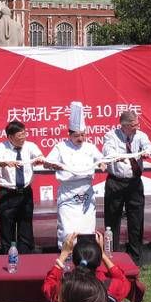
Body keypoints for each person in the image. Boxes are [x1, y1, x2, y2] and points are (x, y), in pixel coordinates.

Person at [46, 102, 105, 249]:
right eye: (77, 135)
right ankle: (66, 257)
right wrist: (52, 164)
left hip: (86, 192)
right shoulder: (60, 147)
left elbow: (101, 160)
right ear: (70, 134)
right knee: (68, 229)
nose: (80, 138)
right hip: (68, 192)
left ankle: (88, 258)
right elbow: (48, 162)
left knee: (87, 228)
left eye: (83, 135)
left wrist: (102, 164)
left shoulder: (90, 147)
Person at [102, 110, 151, 265]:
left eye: (137, 124)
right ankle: (112, 256)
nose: (136, 127)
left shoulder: (140, 135)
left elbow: (148, 146)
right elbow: (107, 150)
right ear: (123, 126)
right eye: (133, 125)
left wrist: (147, 152)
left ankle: (136, 257)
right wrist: (115, 156)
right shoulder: (111, 135)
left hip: (134, 182)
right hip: (115, 182)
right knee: (112, 220)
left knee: (136, 219)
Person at [0, 120, 45, 254]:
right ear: (10, 137)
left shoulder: (30, 146)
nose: (23, 137)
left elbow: (39, 155)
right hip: (8, 193)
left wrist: (40, 158)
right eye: (19, 135)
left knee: (25, 225)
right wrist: (5, 163)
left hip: (25, 192)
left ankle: (26, 255)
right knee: (6, 226)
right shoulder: (0, 147)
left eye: (24, 134)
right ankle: (7, 255)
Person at [42, 231, 132, 302]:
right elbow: (124, 281)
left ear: (74, 260)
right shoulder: (109, 285)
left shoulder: (66, 287)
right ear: (98, 260)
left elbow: (48, 286)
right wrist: (103, 254)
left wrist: (63, 254)